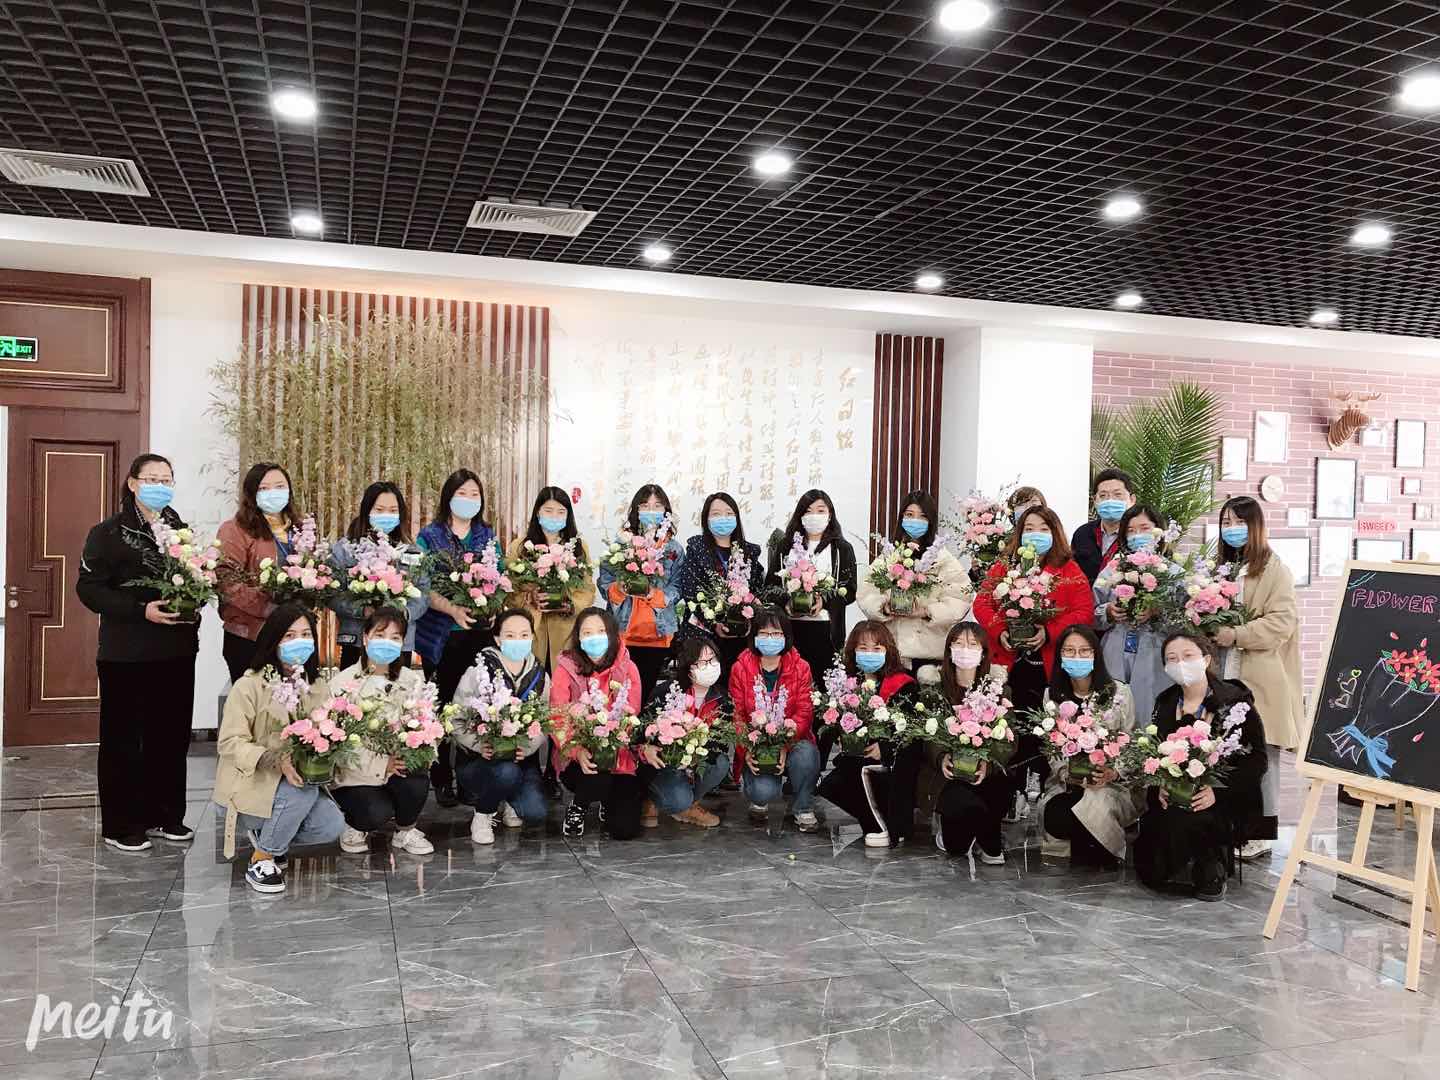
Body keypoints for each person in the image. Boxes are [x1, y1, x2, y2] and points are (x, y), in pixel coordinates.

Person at [77, 453, 201, 852]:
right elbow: (89, 589)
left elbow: (196, 577)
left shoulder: (180, 530)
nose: (160, 486)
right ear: (132, 483)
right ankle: (121, 825)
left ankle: (166, 816)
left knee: (171, 737)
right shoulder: (108, 533)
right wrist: (139, 609)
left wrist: (197, 598)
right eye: (152, 479)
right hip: (126, 653)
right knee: (123, 740)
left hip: (176, 650)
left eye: (167, 479)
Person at [212, 603, 345, 893]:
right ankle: (263, 858)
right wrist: (275, 760)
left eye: (306, 635)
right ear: (274, 641)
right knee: (301, 790)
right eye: (289, 635)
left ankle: (272, 837)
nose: (299, 642)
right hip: (250, 784)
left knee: (330, 825)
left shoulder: (317, 686)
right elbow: (229, 742)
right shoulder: (249, 685)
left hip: (295, 783)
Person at [973, 504, 1093, 817]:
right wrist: (999, 630)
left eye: (1043, 529)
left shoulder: (1068, 570)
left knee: (1044, 729)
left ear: (1055, 533)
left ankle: (1040, 791)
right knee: (1009, 728)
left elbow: (1084, 612)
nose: (1036, 535)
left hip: (1049, 668)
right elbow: (982, 604)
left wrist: (1049, 632)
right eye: (1029, 529)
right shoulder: (1005, 566)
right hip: (1010, 664)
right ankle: (1008, 794)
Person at [1135, 631, 1269, 901]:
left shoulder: (1235, 702)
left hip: (1223, 796)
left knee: (1197, 817)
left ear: (1206, 659)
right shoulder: (1166, 702)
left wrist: (1216, 790)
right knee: (1154, 868)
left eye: (1188, 656)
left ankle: (1210, 862)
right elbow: (1156, 751)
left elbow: (1257, 760)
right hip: (1175, 794)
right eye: (1172, 659)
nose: (1180, 664)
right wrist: (1162, 784)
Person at [1212, 495, 1296, 860]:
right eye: (1226, 522)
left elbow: (1281, 623)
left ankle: (1261, 833)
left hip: (1260, 672)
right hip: (1224, 670)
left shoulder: (1275, 569)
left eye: (1239, 522)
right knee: (1226, 751)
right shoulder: (1221, 568)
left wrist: (1237, 634)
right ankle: (1232, 826)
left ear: (1256, 526)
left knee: (1262, 755)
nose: (1232, 529)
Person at [414, 469, 500, 806]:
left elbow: (499, 578)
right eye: (462, 493)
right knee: (441, 705)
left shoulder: (487, 536)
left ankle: (468, 777)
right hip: (440, 636)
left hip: (479, 635)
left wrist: (493, 606)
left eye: (474, 494)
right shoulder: (429, 536)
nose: (468, 500)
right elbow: (422, 586)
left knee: (475, 706)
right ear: (448, 497)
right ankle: (440, 777)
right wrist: (452, 610)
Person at [1034, 625, 1142, 868]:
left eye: (1084, 651)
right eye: (1069, 651)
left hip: (1111, 784)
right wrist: (1066, 772)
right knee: (1057, 815)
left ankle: (1103, 844)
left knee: (1095, 813)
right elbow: (1050, 746)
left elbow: (1132, 743)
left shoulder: (1119, 692)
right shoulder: (1052, 695)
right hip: (1067, 784)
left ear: (1096, 654)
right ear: (1060, 656)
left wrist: (1113, 772)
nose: (1077, 657)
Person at [329, 608, 435, 856]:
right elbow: (338, 743)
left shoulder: (412, 681)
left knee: (417, 779)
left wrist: (420, 750)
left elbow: (428, 724)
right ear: (365, 638)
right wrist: (382, 764)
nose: (387, 642)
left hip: (397, 766)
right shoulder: (342, 684)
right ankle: (354, 825)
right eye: (380, 635)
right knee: (375, 813)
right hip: (356, 776)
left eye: (395, 637)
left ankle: (406, 830)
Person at [453, 609, 551, 844]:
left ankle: (507, 797)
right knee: (506, 773)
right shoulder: (479, 671)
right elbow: (455, 720)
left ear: (532, 637)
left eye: (524, 635)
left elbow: (546, 722)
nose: (518, 640)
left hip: (521, 758)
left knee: (535, 813)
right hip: (479, 760)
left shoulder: (539, 675)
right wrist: (479, 745)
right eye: (510, 635)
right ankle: (483, 813)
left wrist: (528, 747)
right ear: (498, 639)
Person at [814, 621, 916, 847]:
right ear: (853, 651)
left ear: (888, 651)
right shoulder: (848, 683)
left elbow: (909, 731)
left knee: (860, 772)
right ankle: (877, 820)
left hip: (889, 761)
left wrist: (885, 748)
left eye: (877, 648)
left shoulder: (904, 685)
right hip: (856, 755)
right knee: (830, 785)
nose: (870, 654)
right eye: (863, 648)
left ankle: (883, 827)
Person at [551, 607, 646, 839]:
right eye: (587, 632)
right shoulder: (566, 668)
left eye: (601, 631)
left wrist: (614, 741)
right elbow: (558, 717)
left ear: (612, 634)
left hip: (619, 756)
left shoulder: (628, 667)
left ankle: (607, 800)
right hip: (579, 757)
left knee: (624, 829)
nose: (594, 637)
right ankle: (579, 805)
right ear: (578, 638)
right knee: (597, 775)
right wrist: (576, 750)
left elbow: (632, 714)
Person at [925, 621, 1013, 861]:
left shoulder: (999, 690)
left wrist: (989, 763)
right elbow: (928, 734)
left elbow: (1008, 738)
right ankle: (984, 835)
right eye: (959, 644)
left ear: (983, 652)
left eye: (973, 644)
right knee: (957, 847)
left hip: (985, 773)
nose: (965, 650)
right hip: (949, 776)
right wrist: (941, 757)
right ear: (949, 650)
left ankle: (987, 838)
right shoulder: (934, 689)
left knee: (1000, 787)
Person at [856, 490, 972, 671]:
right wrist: (883, 607)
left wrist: (927, 611)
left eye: (922, 516)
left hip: (929, 653)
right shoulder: (889, 557)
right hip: (892, 650)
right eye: (909, 515)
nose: (915, 521)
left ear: (930, 521)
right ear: (901, 518)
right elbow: (866, 591)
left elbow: (961, 598)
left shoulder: (944, 560)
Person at [728, 608, 821, 831]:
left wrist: (785, 745)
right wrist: (747, 748)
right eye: (764, 633)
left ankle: (803, 807)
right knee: (763, 792)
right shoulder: (740, 668)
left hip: (792, 740)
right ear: (754, 636)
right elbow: (736, 714)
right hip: (757, 744)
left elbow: (804, 712)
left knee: (806, 754)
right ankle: (758, 799)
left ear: (786, 636)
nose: (770, 638)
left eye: (777, 633)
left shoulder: (801, 667)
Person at [762, 489, 858, 695]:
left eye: (820, 510)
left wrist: (824, 600)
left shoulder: (842, 548)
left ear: (830, 515)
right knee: (791, 690)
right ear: (800, 516)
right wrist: (786, 601)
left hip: (826, 632)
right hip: (790, 630)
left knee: (824, 691)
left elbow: (850, 590)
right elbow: (769, 587)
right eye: (808, 510)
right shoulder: (785, 546)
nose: (814, 515)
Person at [328, 480, 428, 669]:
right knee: (352, 685)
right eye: (379, 510)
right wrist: (362, 609)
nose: (386, 515)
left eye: (392, 510)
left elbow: (423, 592)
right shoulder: (346, 549)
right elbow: (331, 592)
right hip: (357, 639)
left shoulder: (412, 551)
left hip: (399, 642)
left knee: (398, 686)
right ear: (367, 511)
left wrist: (404, 612)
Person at [598, 484, 685, 699]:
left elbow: (678, 587)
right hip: (623, 632)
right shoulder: (621, 544)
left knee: (645, 694)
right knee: (620, 694)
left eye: (657, 506)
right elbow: (604, 582)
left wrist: (655, 595)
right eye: (645, 506)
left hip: (658, 633)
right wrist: (620, 588)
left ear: (666, 511)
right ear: (636, 510)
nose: (651, 511)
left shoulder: (674, 549)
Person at [217, 462, 301, 684]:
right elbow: (226, 580)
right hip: (249, 635)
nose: (273, 493)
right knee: (253, 700)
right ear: (252, 493)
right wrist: (268, 608)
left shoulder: (300, 529)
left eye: (280, 486)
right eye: (264, 488)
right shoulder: (235, 529)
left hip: (293, 635)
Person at [1093, 503, 1173, 726]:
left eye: (1144, 528)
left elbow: (1186, 622)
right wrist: (1108, 612)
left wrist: (1158, 611)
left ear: (1158, 531)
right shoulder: (1113, 570)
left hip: (1155, 651)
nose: (1138, 535)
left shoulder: (1172, 572)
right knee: (1112, 712)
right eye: (1130, 530)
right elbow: (1091, 612)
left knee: (1151, 713)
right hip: (1116, 648)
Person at [643, 632, 733, 829]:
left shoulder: (722, 699)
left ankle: (688, 805)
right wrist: (647, 747)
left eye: (713, 660)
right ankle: (652, 798)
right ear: (688, 667)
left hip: (695, 761)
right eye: (702, 663)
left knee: (721, 763)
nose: (710, 666)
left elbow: (721, 742)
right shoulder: (666, 692)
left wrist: (698, 752)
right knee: (675, 797)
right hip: (665, 764)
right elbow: (643, 728)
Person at [505, 486, 595, 670]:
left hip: (566, 632)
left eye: (561, 512)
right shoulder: (520, 547)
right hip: (530, 631)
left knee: (563, 680)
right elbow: (508, 590)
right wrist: (529, 597)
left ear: (568, 516)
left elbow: (587, 590)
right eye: (548, 510)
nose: (554, 516)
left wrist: (570, 604)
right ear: (538, 512)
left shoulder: (578, 547)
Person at [675, 491, 766, 671]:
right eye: (716, 514)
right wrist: (712, 623)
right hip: (701, 635)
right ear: (706, 519)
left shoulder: (749, 552)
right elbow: (690, 591)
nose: (723, 518)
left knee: (738, 680)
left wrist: (749, 615)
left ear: (737, 518)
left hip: (741, 636)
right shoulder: (696, 548)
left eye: (729, 513)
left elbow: (756, 590)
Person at [1071, 469, 1137, 584]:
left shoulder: (1138, 535)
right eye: (1103, 495)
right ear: (1095, 501)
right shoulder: (1082, 533)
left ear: (1132, 499)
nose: (1110, 500)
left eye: (1117, 495)